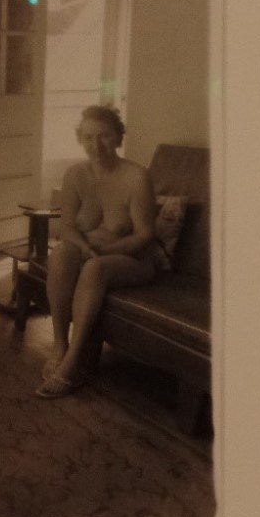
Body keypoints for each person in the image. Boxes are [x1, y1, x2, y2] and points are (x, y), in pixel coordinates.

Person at [36, 105, 158, 399]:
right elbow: (66, 228)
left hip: (133, 259)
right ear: (80, 139)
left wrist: (102, 251)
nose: (97, 145)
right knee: (62, 254)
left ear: (118, 138)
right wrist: (85, 248)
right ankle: (59, 345)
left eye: (104, 136)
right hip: (90, 252)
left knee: (94, 268)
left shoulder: (136, 176)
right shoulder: (75, 175)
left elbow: (145, 235)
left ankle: (72, 363)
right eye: (89, 137)